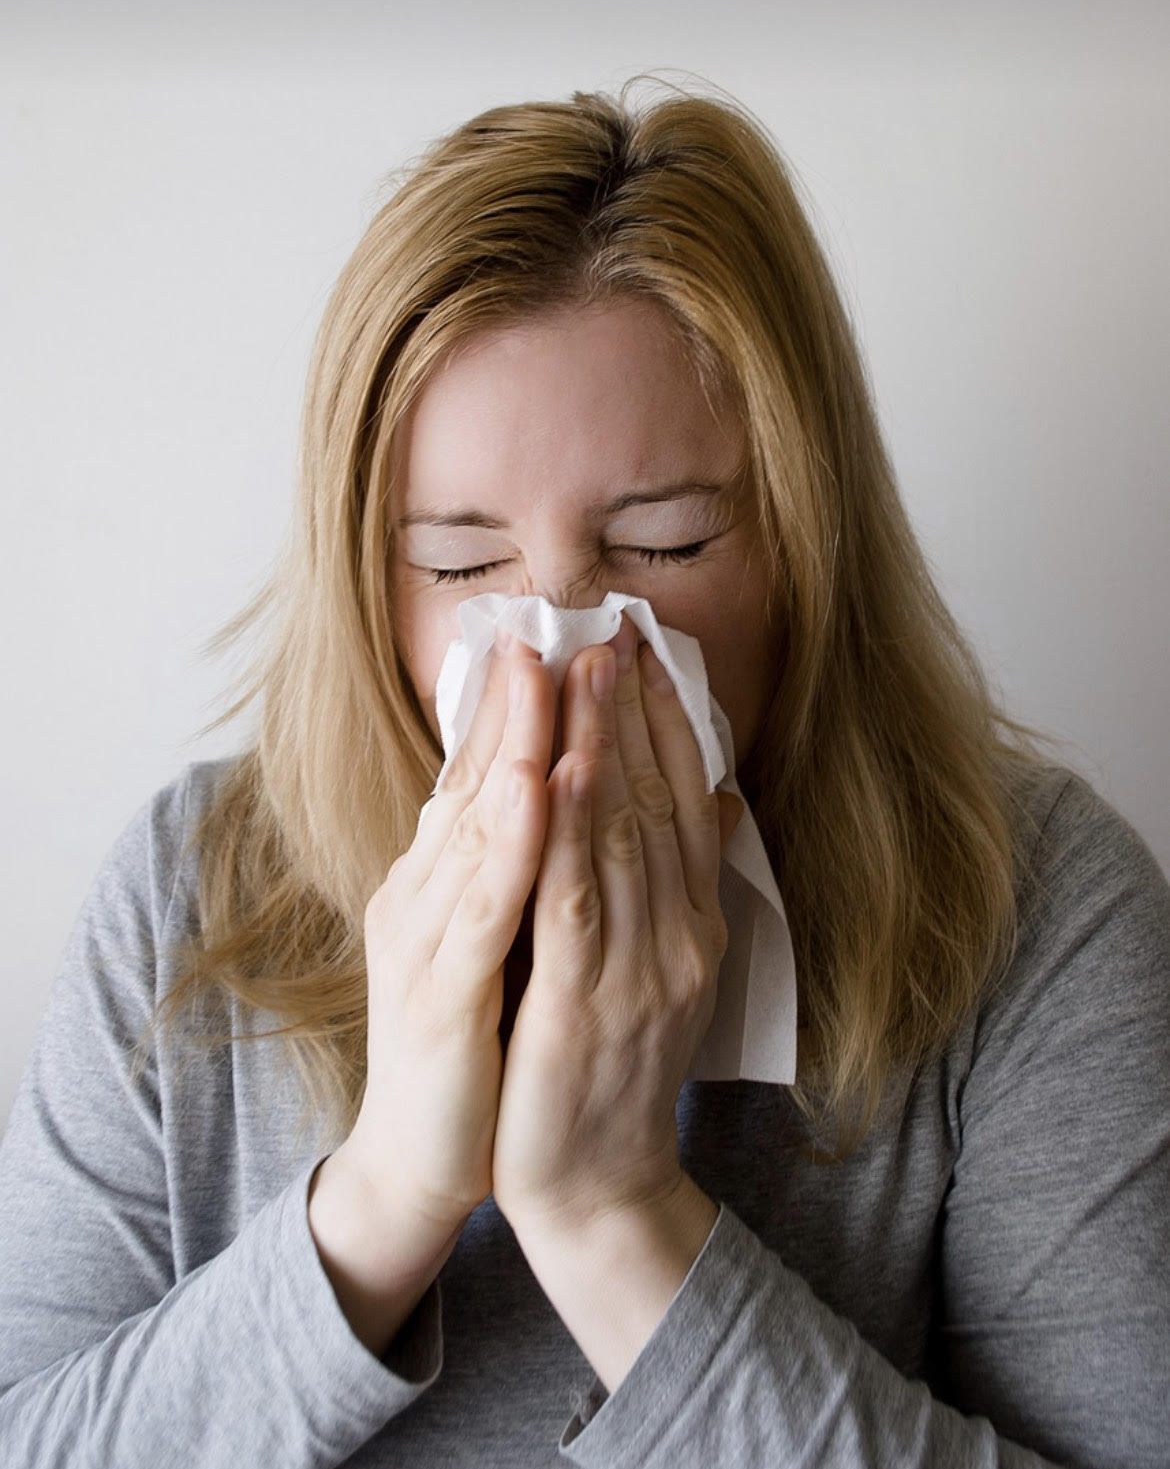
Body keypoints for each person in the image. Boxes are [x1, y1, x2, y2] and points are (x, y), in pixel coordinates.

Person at [1, 83, 1167, 1469]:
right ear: (365, 576)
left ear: (803, 539)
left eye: (664, 545)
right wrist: (382, 1196)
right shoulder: (193, 889)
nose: (558, 643)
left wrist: (617, 1217)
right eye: (456, 564)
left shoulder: (1028, 904)